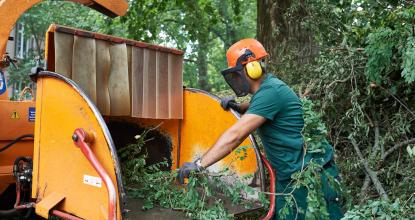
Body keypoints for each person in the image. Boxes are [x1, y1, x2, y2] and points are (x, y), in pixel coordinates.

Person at [178, 38, 343, 219]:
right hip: (290, 179)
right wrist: (239, 107)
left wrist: (199, 164)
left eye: (236, 75)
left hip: (312, 178)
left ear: (252, 69)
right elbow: (260, 104)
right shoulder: (267, 89)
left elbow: (236, 135)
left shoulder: (271, 92)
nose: (234, 80)